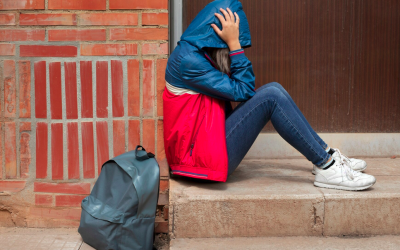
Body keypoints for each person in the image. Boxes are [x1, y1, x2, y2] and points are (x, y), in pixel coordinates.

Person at [163, 0, 376, 191]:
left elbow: (241, 91)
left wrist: (233, 43)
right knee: (271, 96)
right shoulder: (187, 61)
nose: (230, 50)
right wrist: (235, 45)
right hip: (195, 160)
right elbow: (244, 90)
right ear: (216, 36)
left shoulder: (196, 55)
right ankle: (327, 167)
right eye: (228, 42)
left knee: (273, 89)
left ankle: (326, 155)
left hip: (206, 144)